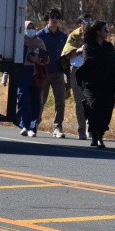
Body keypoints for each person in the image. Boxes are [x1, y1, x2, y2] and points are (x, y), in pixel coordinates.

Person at [75, 20, 115, 147]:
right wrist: (104, 62)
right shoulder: (88, 46)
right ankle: (94, 134)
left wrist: (104, 63)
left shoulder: (109, 46)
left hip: (107, 83)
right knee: (94, 106)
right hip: (91, 83)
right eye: (105, 29)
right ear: (98, 31)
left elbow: (113, 63)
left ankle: (100, 135)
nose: (107, 32)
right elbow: (89, 61)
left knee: (106, 110)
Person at [37, 8, 70, 138]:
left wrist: (67, 74)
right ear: (47, 19)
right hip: (44, 73)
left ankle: (58, 127)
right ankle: (34, 124)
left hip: (59, 73)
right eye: (51, 16)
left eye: (57, 16)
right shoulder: (40, 35)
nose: (54, 19)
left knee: (60, 101)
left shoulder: (63, 37)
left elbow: (66, 56)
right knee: (41, 100)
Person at [61, 12, 94, 141]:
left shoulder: (95, 36)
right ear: (80, 24)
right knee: (80, 102)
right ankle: (81, 130)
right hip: (77, 71)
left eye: (90, 21)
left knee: (92, 101)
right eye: (85, 22)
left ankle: (90, 127)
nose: (88, 24)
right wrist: (79, 50)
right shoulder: (73, 36)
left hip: (91, 71)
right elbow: (65, 54)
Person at [16, 20, 50, 138]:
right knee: (23, 98)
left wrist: (37, 59)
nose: (30, 29)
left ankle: (32, 127)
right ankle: (24, 125)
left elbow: (46, 59)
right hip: (21, 72)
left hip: (35, 74)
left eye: (32, 27)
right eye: (28, 27)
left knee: (35, 101)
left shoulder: (39, 42)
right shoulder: (19, 40)